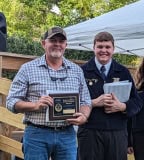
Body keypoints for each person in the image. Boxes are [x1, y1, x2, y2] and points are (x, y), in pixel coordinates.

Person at [6, 26, 92, 160]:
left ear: (66, 45)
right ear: (43, 43)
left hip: (67, 134)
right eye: (53, 40)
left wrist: (84, 116)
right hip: (37, 135)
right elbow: (11, 101)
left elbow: (86, 101)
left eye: (61, 41)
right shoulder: (27, 69)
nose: (57, 44)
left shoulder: (76, 71)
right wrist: (35, 105)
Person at [77, 31, 142, 160]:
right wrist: (94, 102)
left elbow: (137, 102)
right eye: (100, 47)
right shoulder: (81, 71)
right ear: (93, 48)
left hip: (117, 132)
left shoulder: (123, 72)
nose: (104, 50)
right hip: (90, 131)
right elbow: (71, 102)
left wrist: (122, 106)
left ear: (113, 49)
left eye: (107, 47)